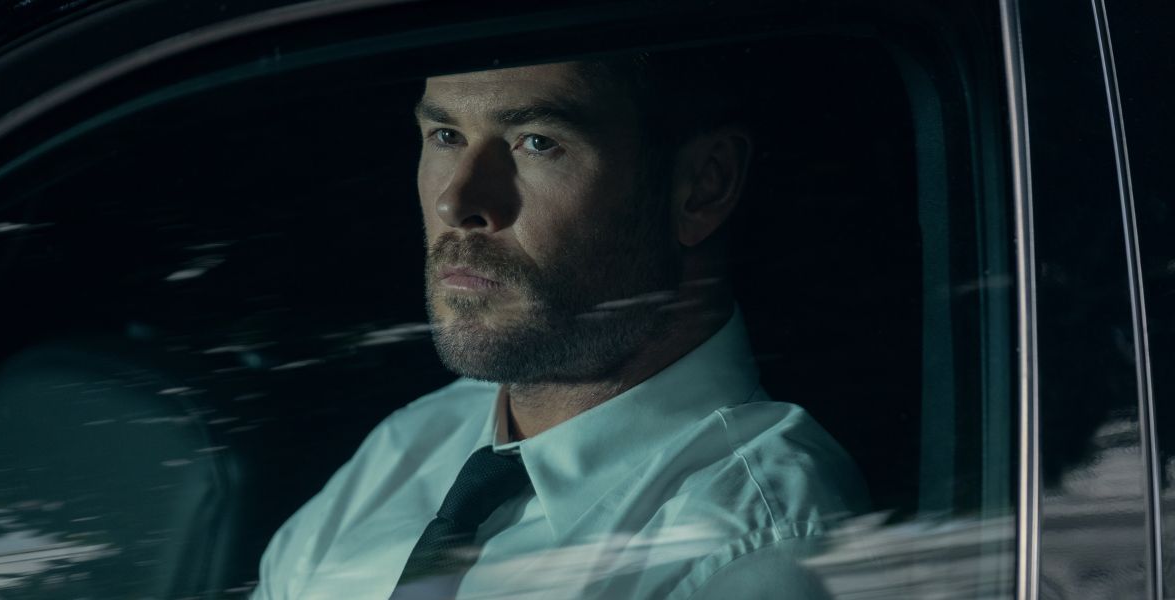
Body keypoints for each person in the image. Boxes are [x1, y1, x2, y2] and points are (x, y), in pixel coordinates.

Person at [252, 54, 868, 600]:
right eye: (446, 135)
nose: (456, 202)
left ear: (703, 186)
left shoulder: (759, 551)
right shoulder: (415, 442)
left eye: (537, 142)